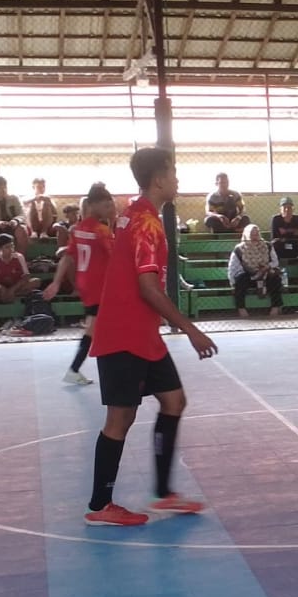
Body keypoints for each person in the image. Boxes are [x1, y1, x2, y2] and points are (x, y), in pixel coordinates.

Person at [86, 146, 218, 527]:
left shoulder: (135, 214)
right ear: (158, 178)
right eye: (173, 170)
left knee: (174, 400)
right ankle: (100, 506)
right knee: (120, 418)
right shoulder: (145, 223)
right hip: (125, 332)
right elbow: (148, 287)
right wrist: (190, 329)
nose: (177, 177)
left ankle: (163, 494)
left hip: (142, 333)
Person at [44, 183, 117, 385]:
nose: (109, 209)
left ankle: (76, 369)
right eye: (106, 206)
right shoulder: (101, 231)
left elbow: (67, 257)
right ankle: (86, 370)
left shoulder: (78, 229)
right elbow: (115, 259)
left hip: (86, 284)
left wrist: (57, 282)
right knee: (102, 328)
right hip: (100, 286)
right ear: (93, 205)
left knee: (96, 328)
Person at [228, 224, 283, 318]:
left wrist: (267, 267)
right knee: (240, 279)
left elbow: (275, 262)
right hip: (248, 276)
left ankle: (275, 307)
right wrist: (232, 282)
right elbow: (233, 267)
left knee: (275, 279)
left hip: (264, 274)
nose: (255, 236)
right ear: (246, 235)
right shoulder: (239, 249)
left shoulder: (267, 246)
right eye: (252, 234)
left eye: (256, 233)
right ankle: (241, 308)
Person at [0, 233, 41, 301]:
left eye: (12, 246)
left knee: (36, 281)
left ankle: (7, 295)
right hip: (0, 286)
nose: (11, 249)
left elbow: (26, 275)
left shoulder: (19, 257)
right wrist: (1, 287)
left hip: (16, 285)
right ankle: (11, 295)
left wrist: (13, 289)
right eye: (7, 247)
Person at [270, 196, 298, 277]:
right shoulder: (276, 219)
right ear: (280, 209)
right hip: (282, 247)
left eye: (289, 207)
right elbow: (275, 237)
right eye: (284, 207)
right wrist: (295, 232)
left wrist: (286, 231)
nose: (287, 210)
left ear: (293, 209)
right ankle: (277, 272)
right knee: (274, 244)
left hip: (295, 246)